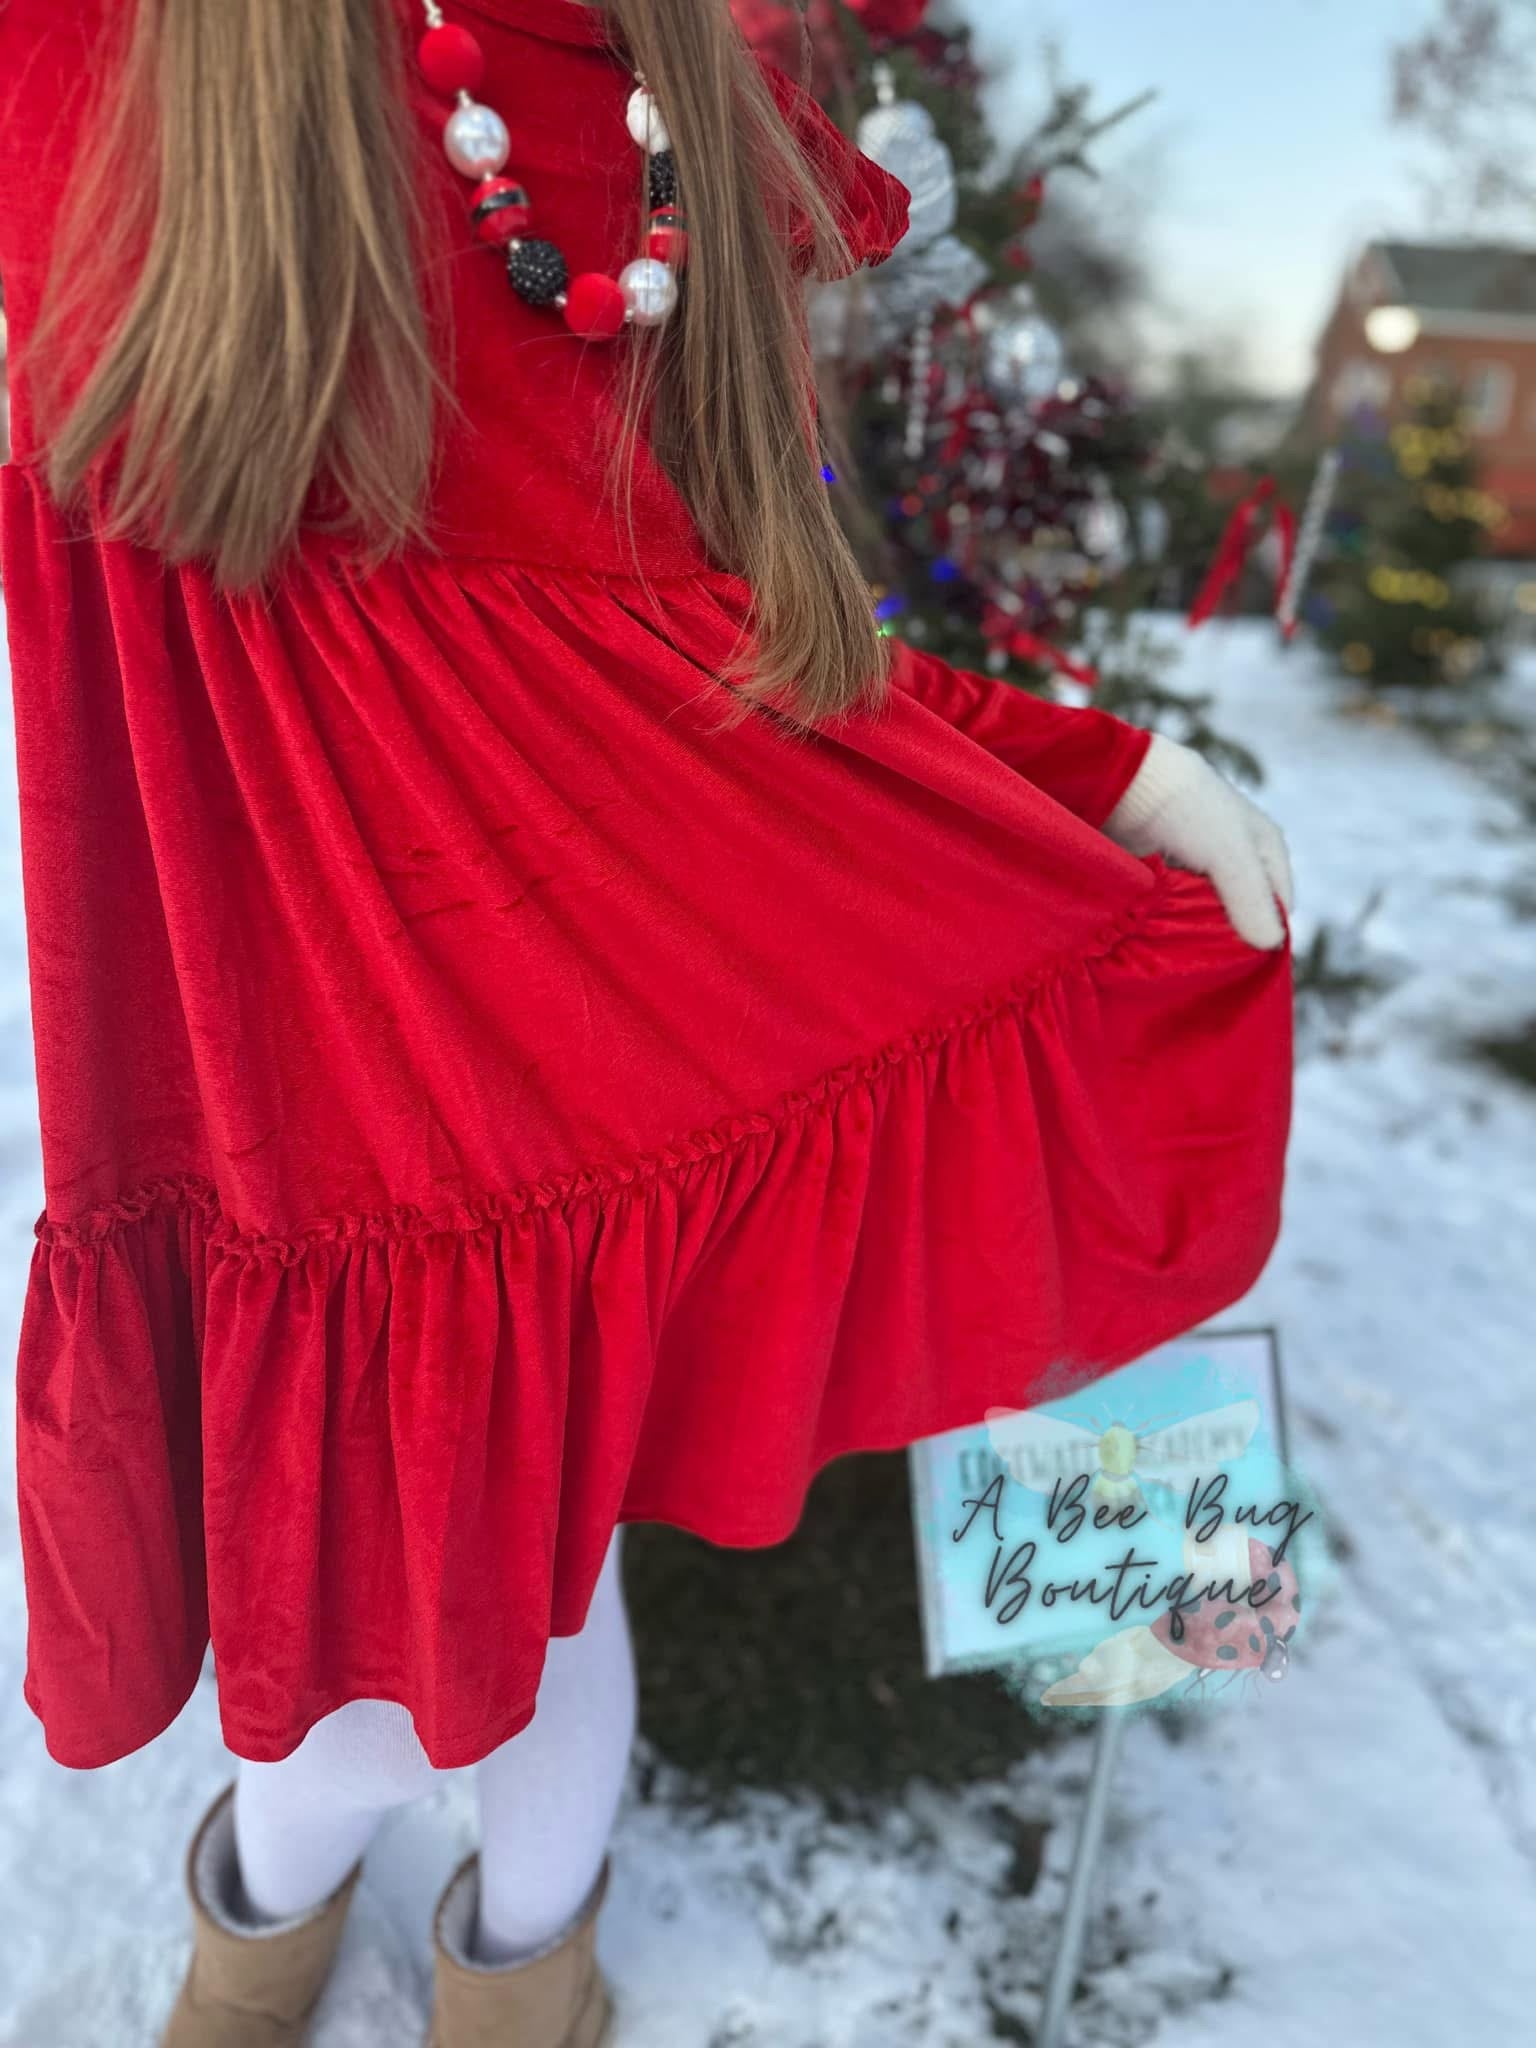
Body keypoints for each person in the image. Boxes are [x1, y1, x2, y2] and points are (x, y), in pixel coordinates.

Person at [0, 0, 1293, 2041]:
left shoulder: (649, 94)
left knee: (497, 1577)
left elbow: (713, 632)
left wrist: (1092, 774)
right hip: (281, 1080)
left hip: (561, 1035)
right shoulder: (130, 66)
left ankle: (500, 1977)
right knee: (381, 1631)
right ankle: (284, 1954)